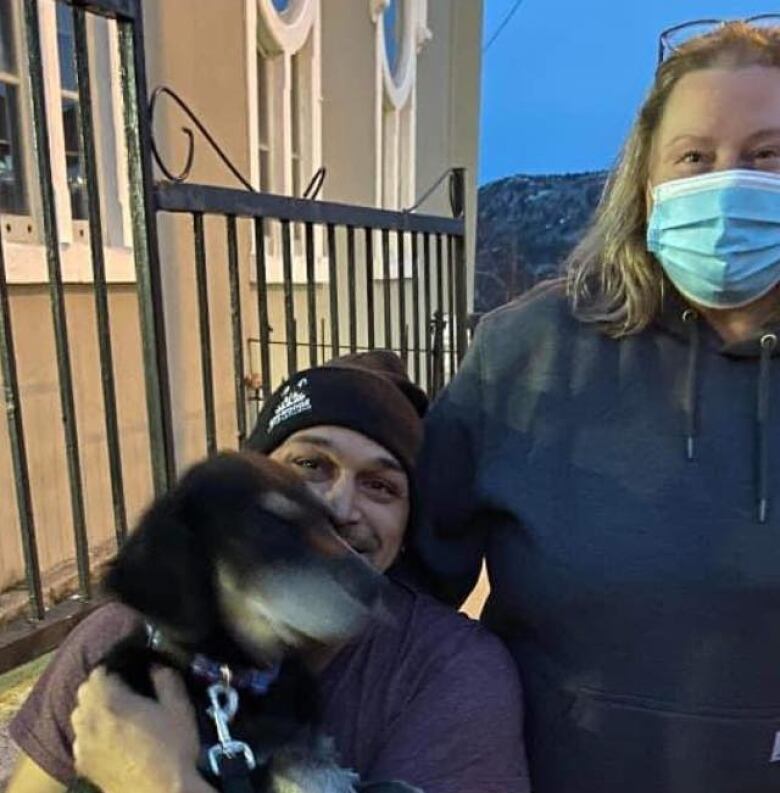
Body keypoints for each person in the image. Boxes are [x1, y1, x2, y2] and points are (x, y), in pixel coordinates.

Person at [412, 18, 780, 793]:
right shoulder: (525, 354)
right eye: (693, 157)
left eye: (767, 155)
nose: (728, 184)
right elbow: (397, 594)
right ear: (647, 186)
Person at [7, 351, 529, 793]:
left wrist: (158, 779)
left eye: (381, 486)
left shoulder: (448, 673)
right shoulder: (121, 636)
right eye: (307, 466)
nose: (336, 506)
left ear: (408, 527)